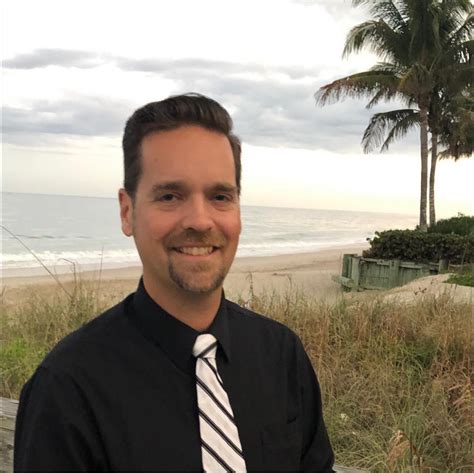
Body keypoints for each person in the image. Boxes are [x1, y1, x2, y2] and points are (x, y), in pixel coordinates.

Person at [14, 93, 335, 472]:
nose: (199, 221)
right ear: (127, 211)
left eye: (220, 196)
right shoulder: (67, 389)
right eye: (170, 196)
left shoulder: (281, 354)